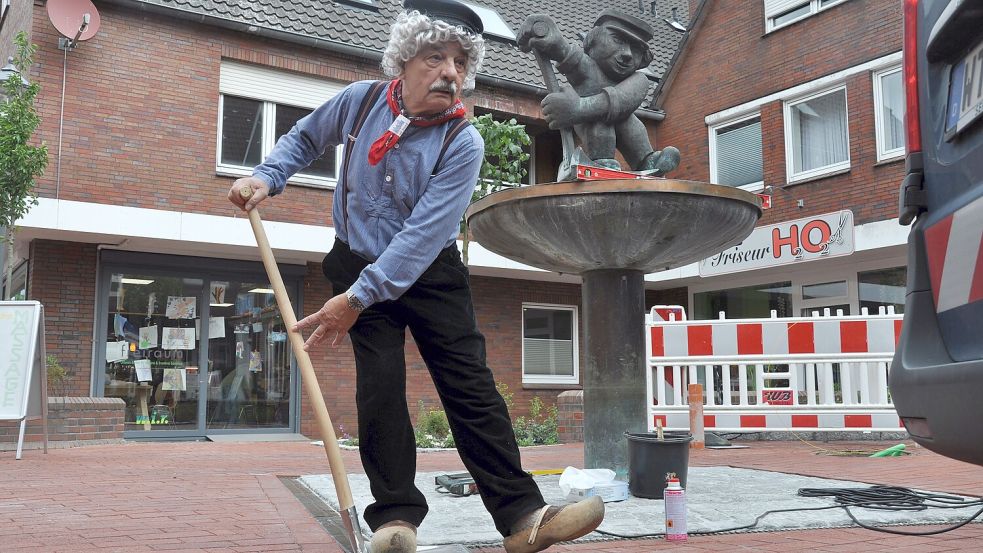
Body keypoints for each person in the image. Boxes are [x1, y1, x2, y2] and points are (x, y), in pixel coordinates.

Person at [227, 1, 604, 552]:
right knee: (379, 391)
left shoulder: (463, 143)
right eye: (435, 57)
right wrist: (267, 175)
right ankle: (394, 520)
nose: (451, 72)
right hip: (355, 259)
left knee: (470, 387)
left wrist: (355, 300)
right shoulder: (359, 103)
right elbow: (305, 138)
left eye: (460, 61)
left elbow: (421, 239)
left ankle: (522, 517)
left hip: (429, 273)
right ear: (403, 62)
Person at [517, 9, 680, 174]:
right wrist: (547, 31)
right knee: (600, 123)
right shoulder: (588, 67)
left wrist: (576, 109)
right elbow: (565, 51)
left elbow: (620, 102)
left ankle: (646, 160)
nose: (628, 54)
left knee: (616, 119)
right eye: (617, 40)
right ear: (593, 40)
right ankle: (602, 161)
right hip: (591, 127)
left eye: (636, 49)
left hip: (593, 116)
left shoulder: (639, 80)